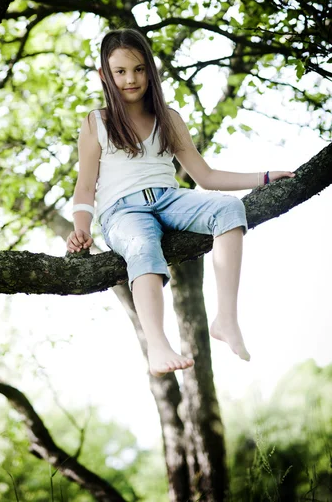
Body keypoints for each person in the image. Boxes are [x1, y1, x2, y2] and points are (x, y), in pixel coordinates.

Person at [66, 28, 295, 378]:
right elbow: (85, 187)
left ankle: (227, 319)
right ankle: (157, 345)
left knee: (229, 209)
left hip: (169, 199)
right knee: (142, 245)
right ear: (104, 75)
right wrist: (81, 230)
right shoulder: (97, 122)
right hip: (122, 212)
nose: (131, 79)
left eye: (139, 69)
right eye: (121, 71)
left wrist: (263, 177)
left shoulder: (168, 119)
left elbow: (207, 176)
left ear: (151, 70)